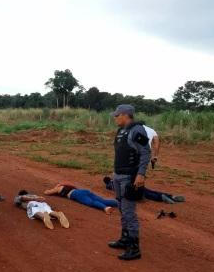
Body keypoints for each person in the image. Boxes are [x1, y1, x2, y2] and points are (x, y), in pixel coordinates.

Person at [108, 104, 151, 261]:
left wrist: (141, 174)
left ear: (125, 115)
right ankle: (125, 239)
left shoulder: (137, 130)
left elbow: (146, 152)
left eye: (117, 115)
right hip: (118, 176)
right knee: (121, 208)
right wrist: (115, 172)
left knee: (128, 212)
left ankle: (134, 248)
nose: (115, 118)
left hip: (129, 177)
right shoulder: (121, 131)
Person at [43, 183, 118, 214]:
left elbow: (47, 192)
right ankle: (120, 203)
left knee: (90, 202)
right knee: (103, 200)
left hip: (76, 194)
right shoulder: (67, 186)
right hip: (82, 191)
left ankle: (105, 208)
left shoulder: (59, 188)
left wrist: (54, 187)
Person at [103, 176, 185, 204]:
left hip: (129, 189)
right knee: (150, 191)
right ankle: (171, 196)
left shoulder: (109, 186)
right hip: (134, 184)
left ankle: (161, 198)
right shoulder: (116, 179)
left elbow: (109, 186)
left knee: (148, 195)